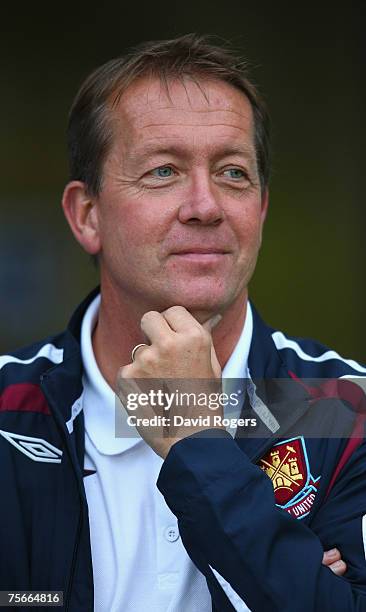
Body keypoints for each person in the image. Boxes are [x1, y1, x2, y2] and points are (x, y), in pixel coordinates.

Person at [0, 34, 365, 612]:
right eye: (164, 171)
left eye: (234, 173)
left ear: (261, 210)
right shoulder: (6, 407)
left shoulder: (349, 412)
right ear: (86, 215)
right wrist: (290, 571)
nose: (206, 204)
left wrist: (196, 441)